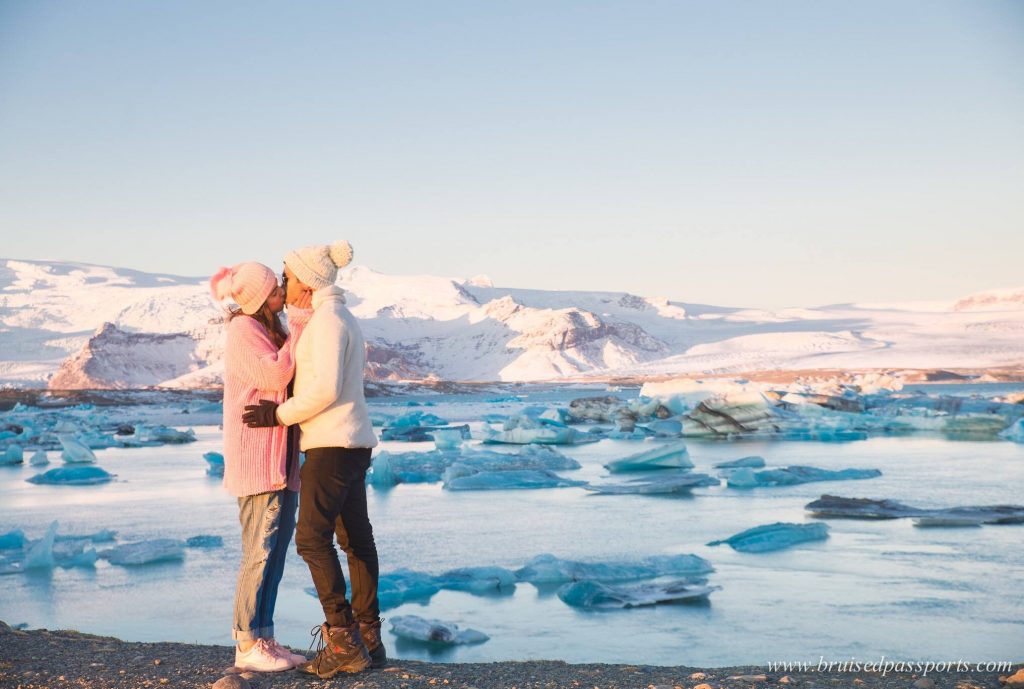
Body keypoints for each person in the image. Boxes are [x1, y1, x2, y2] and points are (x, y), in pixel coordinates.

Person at [243, 241, 383, 679]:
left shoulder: (326, 322)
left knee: (311, 540)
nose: (285, 285)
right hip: (353, 443)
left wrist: (276, 415)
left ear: (306, 280)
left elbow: (322, 390)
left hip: (331, 445)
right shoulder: (342, 317)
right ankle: (369, 641)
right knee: (355, 538)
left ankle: (343, 641)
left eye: (287, 277)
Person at [210, 261, 311, 672]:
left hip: (281, 459)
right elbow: (275, 374)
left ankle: (264, 637)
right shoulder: (242, 331)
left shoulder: (269, 329)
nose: (282, 295)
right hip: (258, 460)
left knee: (275, 552)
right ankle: (246, 642)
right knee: (259, 551)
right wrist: (302, 325)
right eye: (274, 291)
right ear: (257, 299)